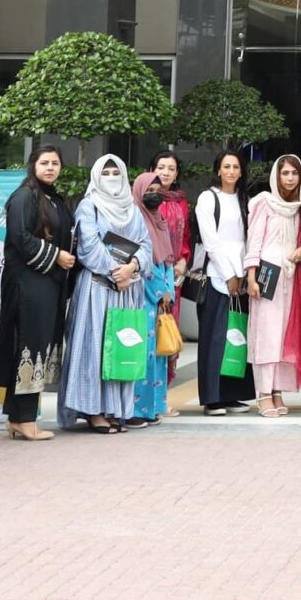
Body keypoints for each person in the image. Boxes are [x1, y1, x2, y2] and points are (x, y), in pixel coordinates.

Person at [59, 155, 151, 434]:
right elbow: (88, 246)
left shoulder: (133, 209)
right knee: (95, 347)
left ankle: (115, 410)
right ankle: (93, 410)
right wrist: (116, 272)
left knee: (120, 348)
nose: (111, 176)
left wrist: (132, 267)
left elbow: (145, 244)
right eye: (106, 172)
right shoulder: (89, 207)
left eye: (116, 171)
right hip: (97, 289)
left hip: (127, 291)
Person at [0, 145, 71, 440]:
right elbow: (21, 238)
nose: (50, 168)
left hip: (46, 283)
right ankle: (25, 419)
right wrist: (57, 256)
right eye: (44, 162)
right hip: (28, 282)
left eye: (55, 163)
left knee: (36, 345)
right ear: (33, 165)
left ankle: (16, 417)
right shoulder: (25, 196)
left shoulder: (52, 197)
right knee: (29, 346)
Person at [245, 155, 301, 416]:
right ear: (276, 176)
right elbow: (254, 241)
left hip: (291, 275)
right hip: (267, 275)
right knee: (267, 335)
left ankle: (277, 391)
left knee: (286, 335)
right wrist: (251, 277)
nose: (290, 178)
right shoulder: (264, 202)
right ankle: (263, 394)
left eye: (295, 173)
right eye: (285, 173)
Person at [194, 150, 253, 414]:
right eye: (226, 166)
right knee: (215, 338)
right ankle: (212, 397)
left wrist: (243, 274)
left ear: (241, 172)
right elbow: (211, 242)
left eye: (235, 167)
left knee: (237, 335)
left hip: (242, 276)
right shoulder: (208, 198)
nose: (231, 171)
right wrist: (229, 274)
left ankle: (232, 394)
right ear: (218, 170)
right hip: (219, 276)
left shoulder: (244, 199)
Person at [128, 172, 180, 427]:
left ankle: (154, 407)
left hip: (162, 298)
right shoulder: (135, 219)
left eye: (158, 190)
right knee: (142, 352)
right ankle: (136, 409)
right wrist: (161, 292)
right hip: (142, 296)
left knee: (159, 353)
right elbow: (143, 260)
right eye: (149, 190)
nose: (154, 194)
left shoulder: (159, 220)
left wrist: (168, 291)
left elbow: (167, 258)